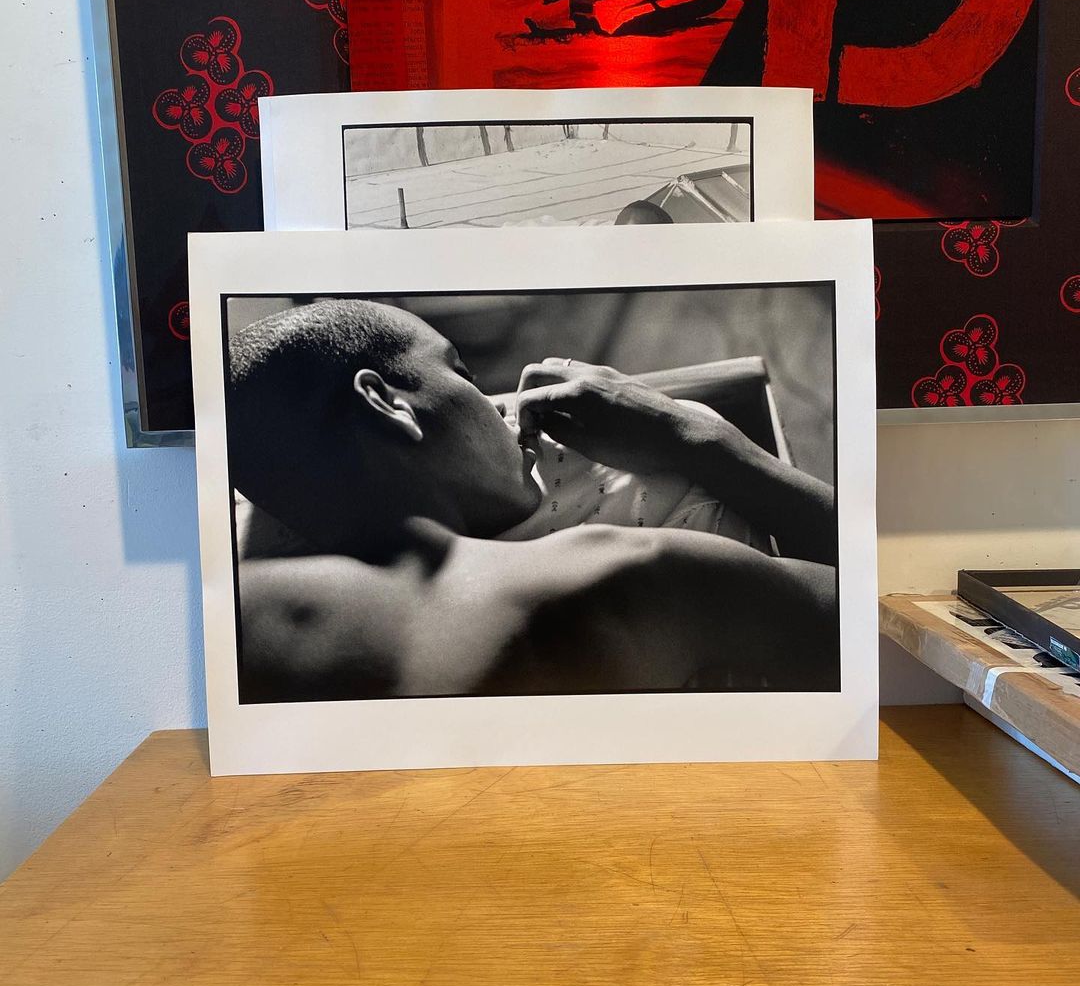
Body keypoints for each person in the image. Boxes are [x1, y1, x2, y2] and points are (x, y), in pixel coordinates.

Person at [227, 299, 838, 701]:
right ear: (388, 403)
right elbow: (872, 610)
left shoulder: (256, 631)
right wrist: (701, 440)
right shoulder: (628, 580)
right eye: (461, 371)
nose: (504, 404)